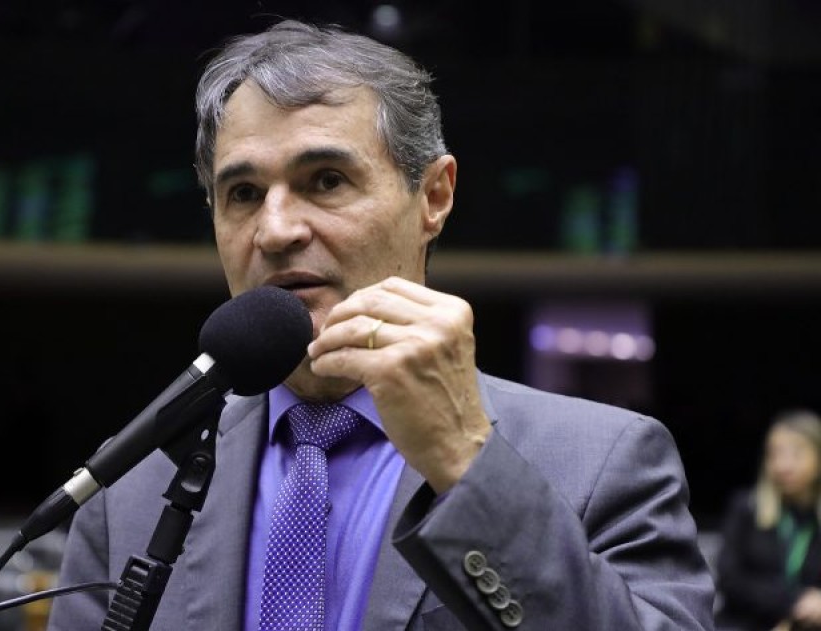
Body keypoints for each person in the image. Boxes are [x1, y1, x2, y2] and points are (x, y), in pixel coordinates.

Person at [47, 19, 715, 630]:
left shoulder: (603, 462)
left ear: (434, 196)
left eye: (326, 180)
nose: (275, 230)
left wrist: (465, 463)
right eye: (243, 194)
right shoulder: (127, 491)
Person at [716, 409, 821, 631]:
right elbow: (730, 579)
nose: (783, 465)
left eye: (796, 454)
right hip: (747, 624)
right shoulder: (746, 507)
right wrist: (794, 603)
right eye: (775, 454)